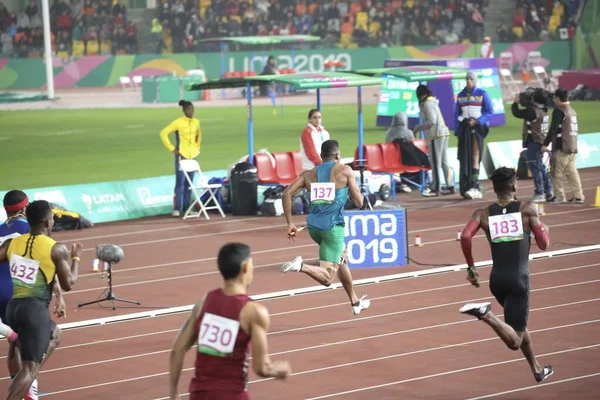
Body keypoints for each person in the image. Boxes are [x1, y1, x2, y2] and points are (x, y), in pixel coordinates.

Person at [458, 167, 554, 383]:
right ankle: (486, 314)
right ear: (514, 186)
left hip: (497, 281)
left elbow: (465, 236)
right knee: (515, 341)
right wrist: (544, 228)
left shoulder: (482, 214)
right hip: (518, 281)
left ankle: (537, 368)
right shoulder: (528, 209)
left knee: (517, 325)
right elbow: (544, 244)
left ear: (493, 187)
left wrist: (472, 268)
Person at [169, 242, 291, 400]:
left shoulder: (203, 303)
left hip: (199, 394)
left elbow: (177, 350)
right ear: (245, 267)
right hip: (233, 394)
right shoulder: (254, 312)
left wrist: (174, 393)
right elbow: (262, 368)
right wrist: (280, 370)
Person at [0, 200, 80, 400]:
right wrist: (76, 259)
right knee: (30, 368)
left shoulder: (13, 243)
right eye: (53, 220)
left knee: (55, 334)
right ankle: (29, 373)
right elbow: (69, 283)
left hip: (13, 308)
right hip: (33, 310)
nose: (53, 223)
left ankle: (27, 374)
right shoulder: (56, 248)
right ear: (47, 222)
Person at [279, 140, 371, 315]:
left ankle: (355, 301)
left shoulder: (308, 174)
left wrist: (290, 223)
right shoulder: (345, 170)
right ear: (337, 155)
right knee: (329, 276)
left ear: (321, 157)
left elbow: (286, 193)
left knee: (341, 257)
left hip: (314, 229)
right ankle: (301, 265)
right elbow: (359, 203)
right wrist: (351, 192)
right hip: (333, 229)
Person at [455, 70, 494, 200]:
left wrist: (478, 121)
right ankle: (465, 185)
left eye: (471, 79)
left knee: (475, 156)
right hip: (465, 128)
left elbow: (490, 111)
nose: (468, 81)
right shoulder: (460, 95)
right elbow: (457, 113)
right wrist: (458, 129)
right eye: (467, 79)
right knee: (464, 156)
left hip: (478, 128)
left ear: (475, 80)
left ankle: (475, 185)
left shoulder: (482, 94)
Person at [160, 100, 202, 217]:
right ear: (184, 111)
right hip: (182, 157)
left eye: (193, 109)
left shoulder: (196, 122)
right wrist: (173, 149)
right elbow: (163, 133)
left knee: (189, 183)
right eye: (189, 110)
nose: (191, 112)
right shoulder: (178, 122)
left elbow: (199, 134)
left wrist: (197, 148)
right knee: (180, 183)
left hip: (193, 156)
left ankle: (187, 207)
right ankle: (177, 208)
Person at [511, 88, 554, 202]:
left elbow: (517, 113)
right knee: (540, 166)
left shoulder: (533, 111)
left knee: (535, 167)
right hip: (541, 141)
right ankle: (548, 190)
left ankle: (540, 192)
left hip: (534, 142)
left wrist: (515, 102)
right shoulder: (544, 109)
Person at [542, 88, 584, 203]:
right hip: (572, 146)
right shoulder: (572, 111)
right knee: (572, 172)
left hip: (562, 147)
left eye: (555, 98)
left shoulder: (559, 111)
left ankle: (559, 196)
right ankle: (578, 196)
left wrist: (545, 144)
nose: (554, 100)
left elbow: (553, 129)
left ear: (558, 99)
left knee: (556, 173)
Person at [413, 84, 454, 197]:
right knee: (444, 162)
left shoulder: (426, 104)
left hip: (436, 135)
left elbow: (432, 121)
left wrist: (418, 128)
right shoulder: (433, 102)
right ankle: (450, 185)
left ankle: (436, 188)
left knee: (435, 163)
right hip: (443, 132)